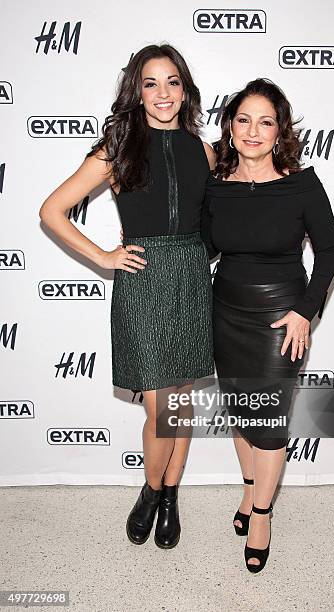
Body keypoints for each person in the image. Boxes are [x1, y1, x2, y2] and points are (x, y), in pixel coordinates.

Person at [39, 44, 215, 550]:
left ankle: (169, 497)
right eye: (151, 83)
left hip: (190, 277)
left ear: (185, 89)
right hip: (143, 279)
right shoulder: (117, 147)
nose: (163, 94)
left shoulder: (201, 150)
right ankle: (150, 488)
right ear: (136, 92)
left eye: (172, 82)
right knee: (159, 407)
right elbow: (52, 210)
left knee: (180, 405)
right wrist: (102, 257)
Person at [201, 78, 334, 572]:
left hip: (282, 317)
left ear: (280, 130)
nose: (253, 131)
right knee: (240, 412)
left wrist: (305, 311)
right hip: (226, 310)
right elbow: (203, 248)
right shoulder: (215, 187)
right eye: (244, 120)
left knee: (268, 423)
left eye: (266, 121)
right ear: (230, 127)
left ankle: (262, 514)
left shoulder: (303, 183)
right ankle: (247, 493)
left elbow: (328, 253)